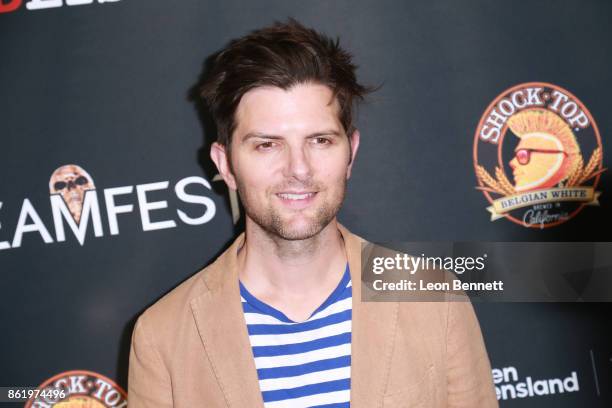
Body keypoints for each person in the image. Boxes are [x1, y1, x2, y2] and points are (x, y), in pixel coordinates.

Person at [128, 19, 498, 407]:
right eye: (267, 145)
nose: (298, 169)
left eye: (320, 141)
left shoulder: (435, 301)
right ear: (225, 164)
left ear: (350, 152)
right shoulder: (163, 337)